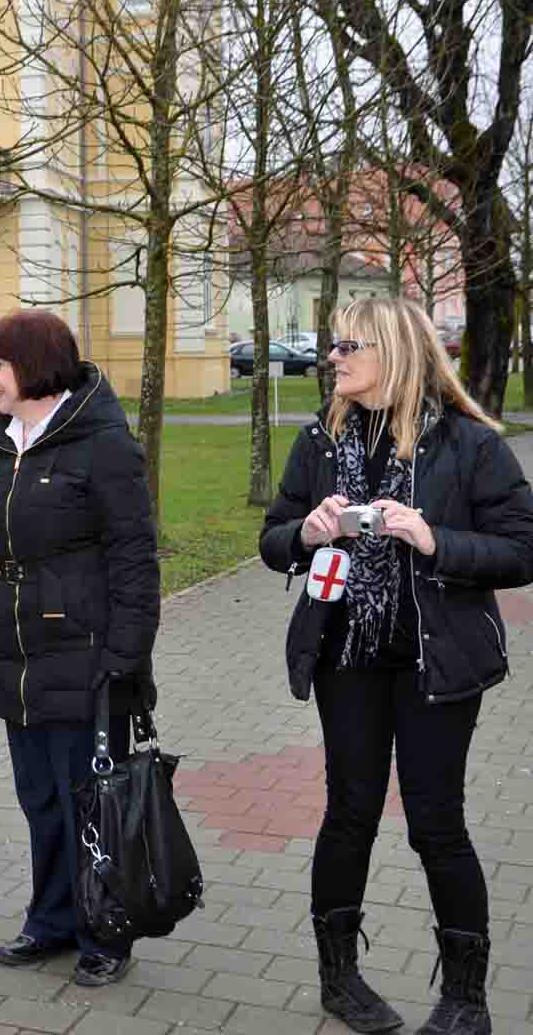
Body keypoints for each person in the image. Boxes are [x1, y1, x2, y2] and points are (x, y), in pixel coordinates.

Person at [260, 298, 533, 1035]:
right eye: (334, 345)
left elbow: (522, 548)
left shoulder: (468, 444)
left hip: (435, 665)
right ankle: (340, 982)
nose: (334, 357)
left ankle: (466, 999)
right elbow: (272, 537)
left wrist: (435, 539)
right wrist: (306, 533)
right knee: (349, 814)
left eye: (350, 345)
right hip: (346, 660)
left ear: (395, 353)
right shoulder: (322, 438)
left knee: (437, 823)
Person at [0, 308, 158, 988]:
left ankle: (107, 933)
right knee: (39, 797)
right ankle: (51, 921)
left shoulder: (103, 443)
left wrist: (126, 653)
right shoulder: (0, 435)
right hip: (14, 651)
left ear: (35, 369)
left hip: (83, 650)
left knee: (89, 803)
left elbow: (134, 555)